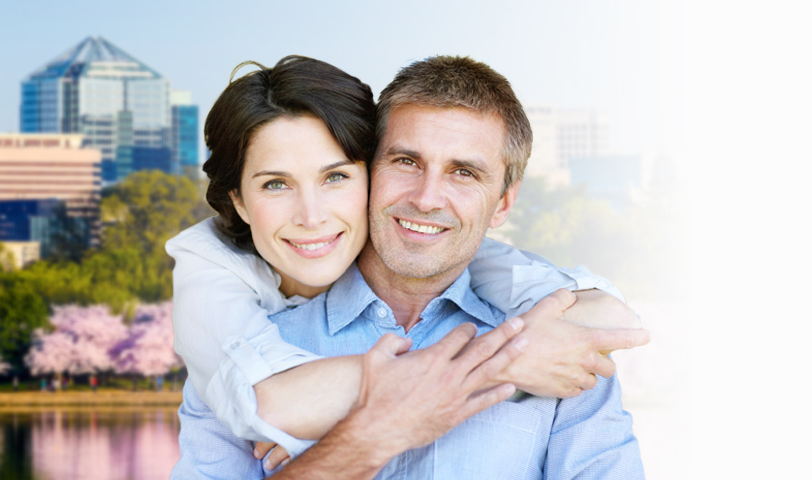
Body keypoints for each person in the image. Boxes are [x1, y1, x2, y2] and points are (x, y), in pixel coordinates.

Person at [172, 55, 642, 478]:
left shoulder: (558, 351)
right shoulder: (241, 358)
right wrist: (370, 436)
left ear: (503, 203)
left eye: (464, 173)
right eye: (405, 161)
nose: (426, 198)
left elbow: (610, 315)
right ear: (371, 168)